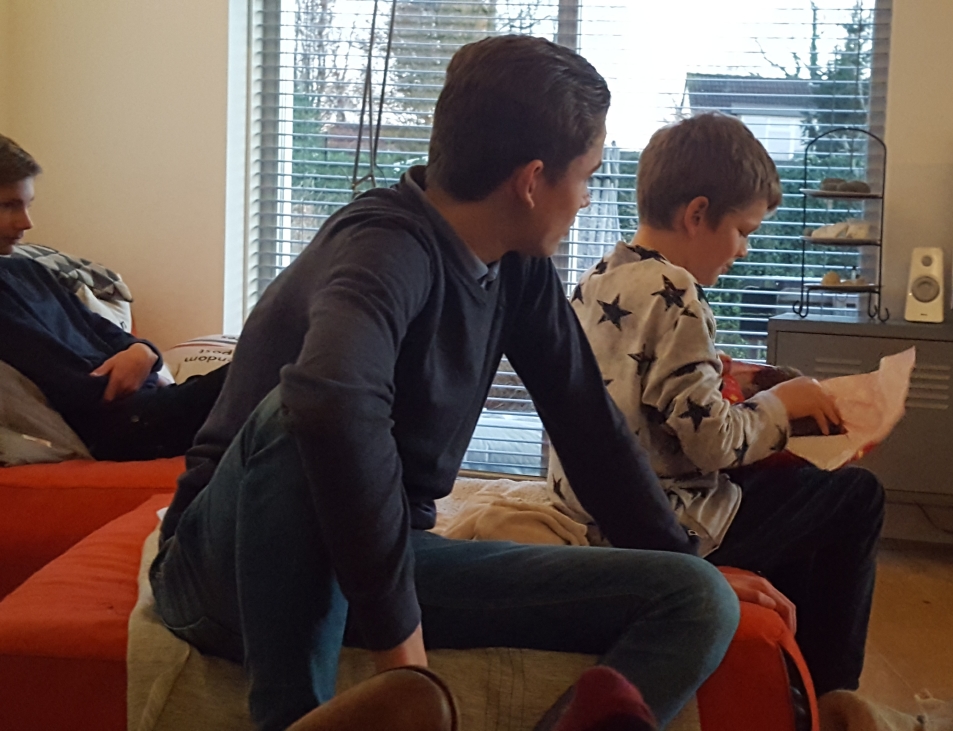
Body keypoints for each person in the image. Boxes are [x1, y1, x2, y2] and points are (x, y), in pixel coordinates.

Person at [150, 36, 788, 731]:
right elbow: (330, 404)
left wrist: (687, 561)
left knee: (696, 599)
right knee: (302, 409)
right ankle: (291, 717)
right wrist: (404, 656)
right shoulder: (382, 247)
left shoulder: (516, 266)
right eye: (587, 176)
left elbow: (589, 427)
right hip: (225, 568)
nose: (586, 200)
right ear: (532, 180)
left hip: (385, 553)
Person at [548, 113, 887, 697]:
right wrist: (780, 404)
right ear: (697, 214)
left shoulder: (600, 279)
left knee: (795, 492)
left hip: (591, 512)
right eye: (742, 231)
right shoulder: (678, 292)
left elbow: (645, 391)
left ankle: (779, 670)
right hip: (669, 526)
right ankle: (833, 695)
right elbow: (714, 444)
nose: (743, 250)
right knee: (855, 497)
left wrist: (725, 376)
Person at [0, 135, 228, 461]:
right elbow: (81, 388)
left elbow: (114, 336)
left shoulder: (29, 270)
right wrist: (140, 364)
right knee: (273, 365)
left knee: (275, 366)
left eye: (28, 205)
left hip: (152, 405)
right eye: (8, 206)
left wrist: (142, 353)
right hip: (126, 428)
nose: (26, 222)